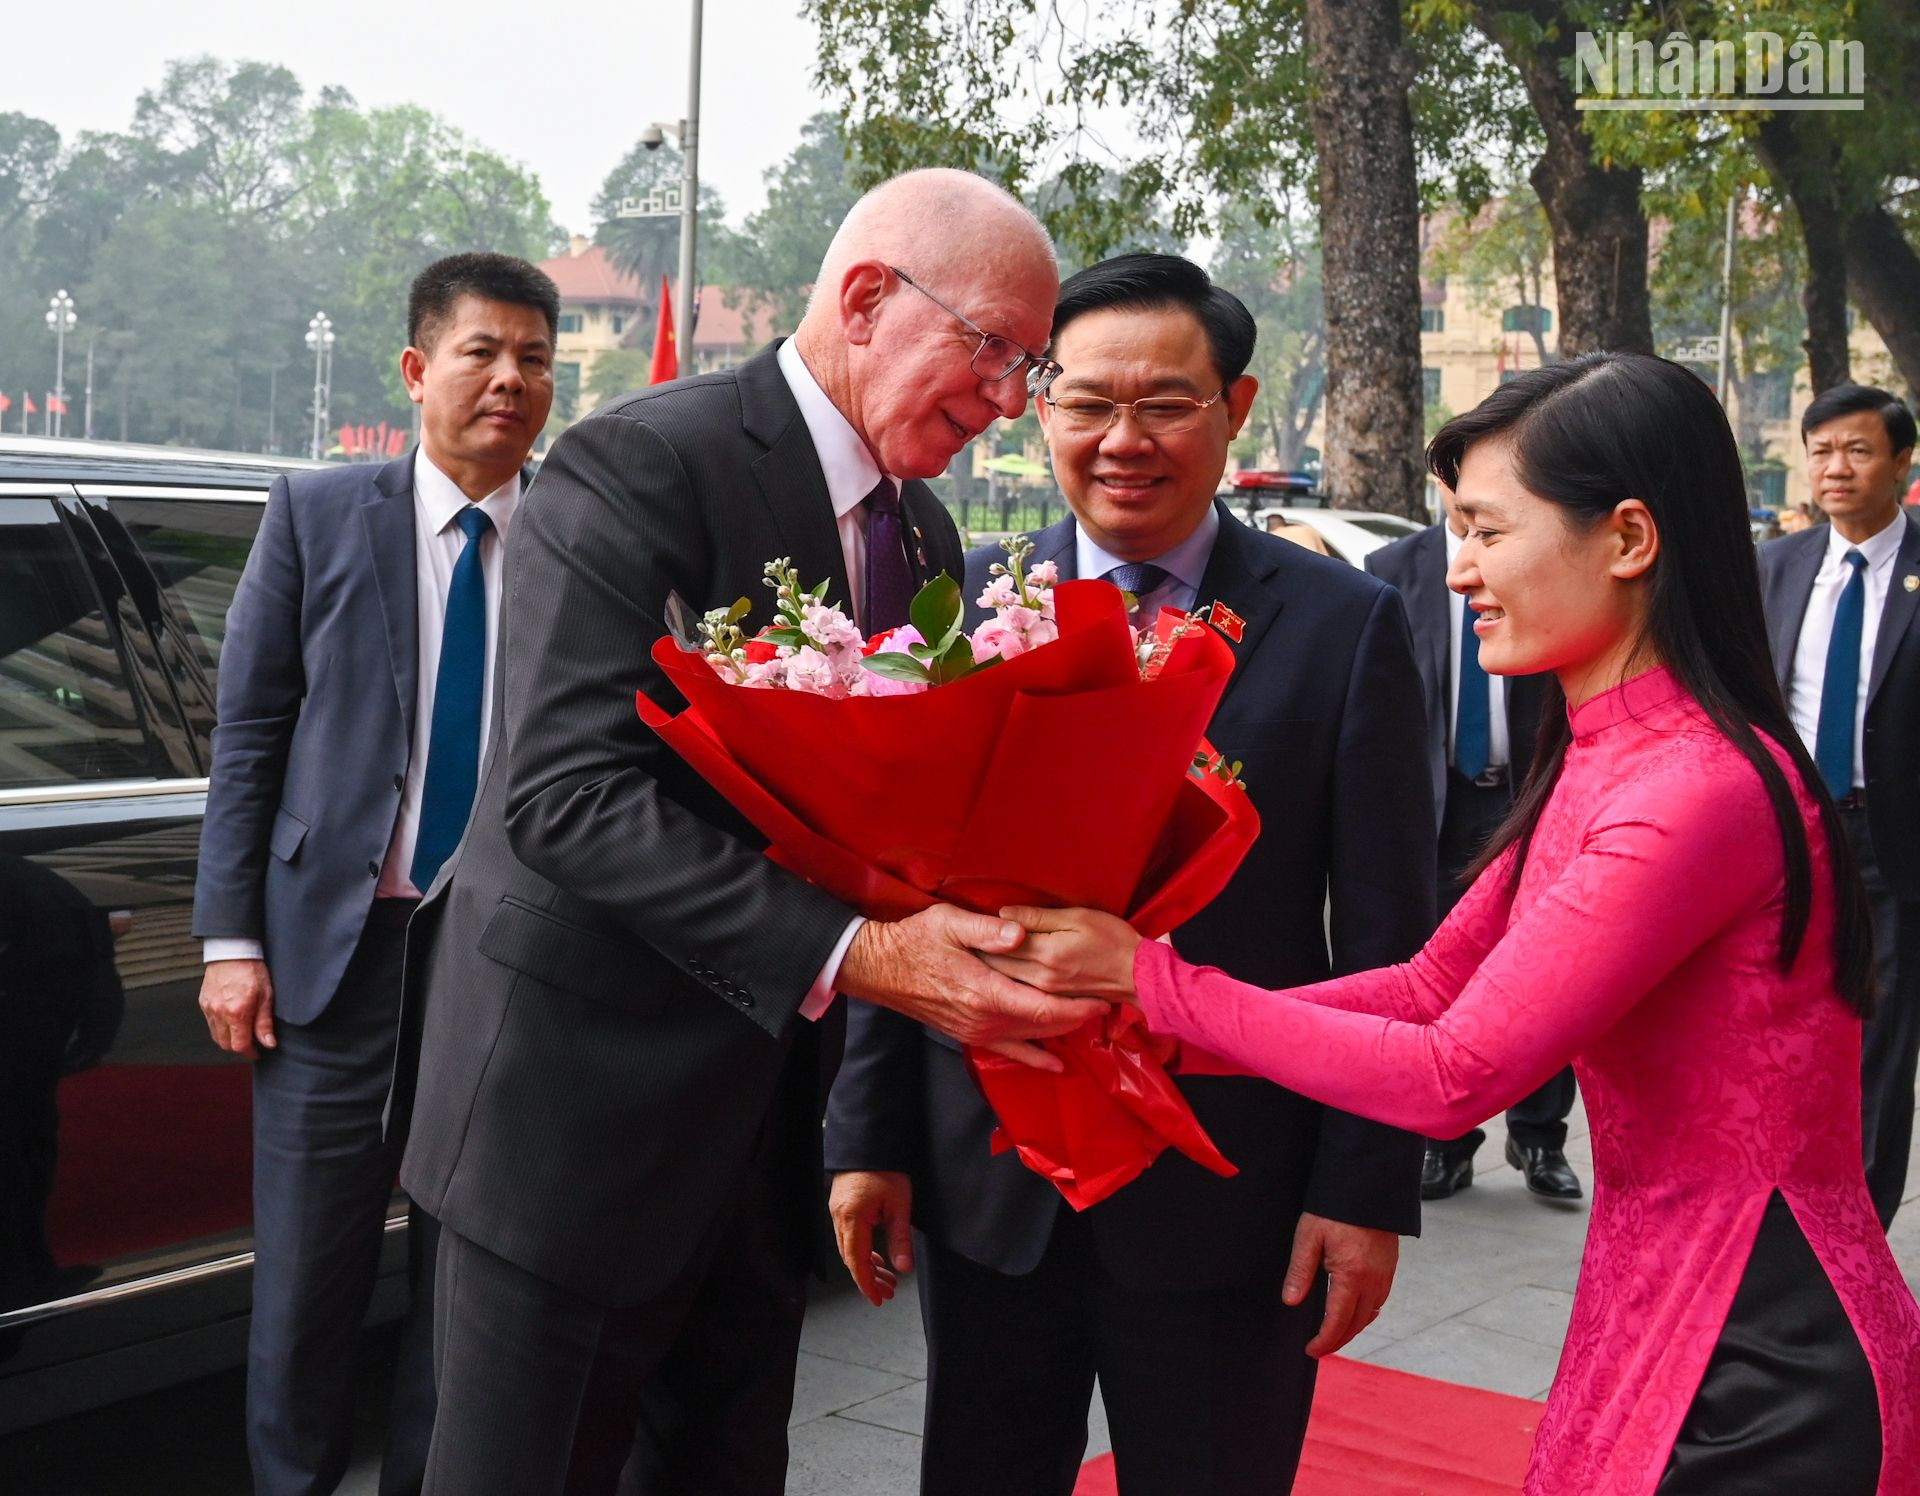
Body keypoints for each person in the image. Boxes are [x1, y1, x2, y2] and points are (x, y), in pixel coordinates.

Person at [987, 353, 1920, 1494]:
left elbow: (1454, 1068)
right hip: (1666, 1291)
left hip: (1761, 1332)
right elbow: (1433, 983)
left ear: (1629, 539)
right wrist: (1151, 1029)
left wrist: (1155, 985)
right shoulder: (1618, 750)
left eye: (1485, 530)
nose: (1460, 571)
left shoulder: (1695, 786)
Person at [397, 169, 1106, 1496]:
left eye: (1032, 363)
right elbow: (566, 800)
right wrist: (868, 955)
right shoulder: (646, 463)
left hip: (761, 1141)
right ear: (867, 299)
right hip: (575, 1130)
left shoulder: (927, 532)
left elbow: (899, 834)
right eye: (996, 351)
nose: (1014, 399)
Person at [824, 253, 1433, 1496]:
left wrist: (1367, 1187)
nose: (1123, 440)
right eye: (1088, 403)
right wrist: (867, 1136)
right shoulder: (968, 610)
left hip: (1229, 1190)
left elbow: (1386, 935)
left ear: (1236, 408)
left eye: (1164, 403)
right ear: (1040, 407)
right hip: (990, 1179)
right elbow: (904, 890)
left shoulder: (1340, 623)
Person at [192, 251, 559, 1496]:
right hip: (330, 963)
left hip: (498, 967)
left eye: (535, 360)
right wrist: (228, 939)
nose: (510, 380)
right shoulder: (316, 512)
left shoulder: (578, 537)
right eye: (482, 352)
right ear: (417, 369)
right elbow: (249, 733)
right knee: (305, 1282)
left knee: (465, 1293)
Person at [1367, 494, 1580, 1204]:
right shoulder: (1392, 568)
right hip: (1432, 807)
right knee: (1432, 973)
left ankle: (1541, 1137)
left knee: (1547, 970)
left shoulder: (1536, 556)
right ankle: (1443, 1141)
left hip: (1523, 794)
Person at [1758, 384, 1920, 1228]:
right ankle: (1780, 1205)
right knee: (1783, 1020)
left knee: (1883, 1043)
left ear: (1901, 461)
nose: (1836, 468)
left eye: (1857, 451)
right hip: (1791, 835)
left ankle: (1860, 1226)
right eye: (1821, 450)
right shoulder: (1777, 569)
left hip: (1894, 843)